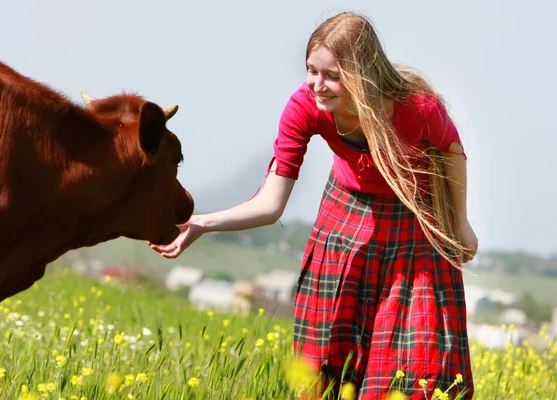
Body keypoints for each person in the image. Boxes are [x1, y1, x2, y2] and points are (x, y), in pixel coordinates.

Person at [150, 11, 478, 400]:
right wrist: (203, 223)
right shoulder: (303, 107)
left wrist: (460, 224)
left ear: (362, 75)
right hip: (344, 215)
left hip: (413, 221)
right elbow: (271, 205)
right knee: (325, 361)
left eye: (332, 76)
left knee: (411, 363)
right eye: (311, 70)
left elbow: (453, 152)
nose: (317, 85)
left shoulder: (417, 110)